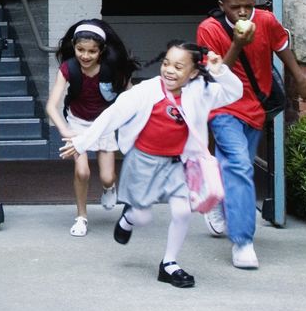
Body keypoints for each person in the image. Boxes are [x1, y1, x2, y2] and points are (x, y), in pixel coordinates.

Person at [61, 41, 242, 289]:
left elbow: (235, 93)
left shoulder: (201, 91)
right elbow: (111, 116)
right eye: (166, 63)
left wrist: (220, 71)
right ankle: (129, 219)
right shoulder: (146, 91)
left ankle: (169, 264)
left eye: (179, 67)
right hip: (143, 163)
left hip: (177, 164)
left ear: (193, 73)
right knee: (143, 217)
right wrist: (82, 142)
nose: (169, 70)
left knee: (181, 211)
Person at [196, 0, 306, 269]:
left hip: (255, 108)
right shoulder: (208, 30)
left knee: (238, 168)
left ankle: (221, 204)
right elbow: (215, 73)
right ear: (223, 5)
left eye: (248, 6)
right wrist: (237, 44)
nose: (244, 13)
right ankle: (243, 241)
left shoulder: (266, 19)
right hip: (223, 109)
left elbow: (281, 44)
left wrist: (299, 77)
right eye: (236, 7)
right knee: (238, 165)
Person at [43, 19, 138, 237]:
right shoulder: (68, 68)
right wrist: (64, 130)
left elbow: (132, 97)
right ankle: (81, 217)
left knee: (107, 177)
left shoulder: (112, 67)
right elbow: (51, 105)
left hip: (104, 124)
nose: (85, 56)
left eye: (92, 51)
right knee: (82, 171)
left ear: (101, 51)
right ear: (74, 47)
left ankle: (108, 189)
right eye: (80, 50)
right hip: (77, 123)